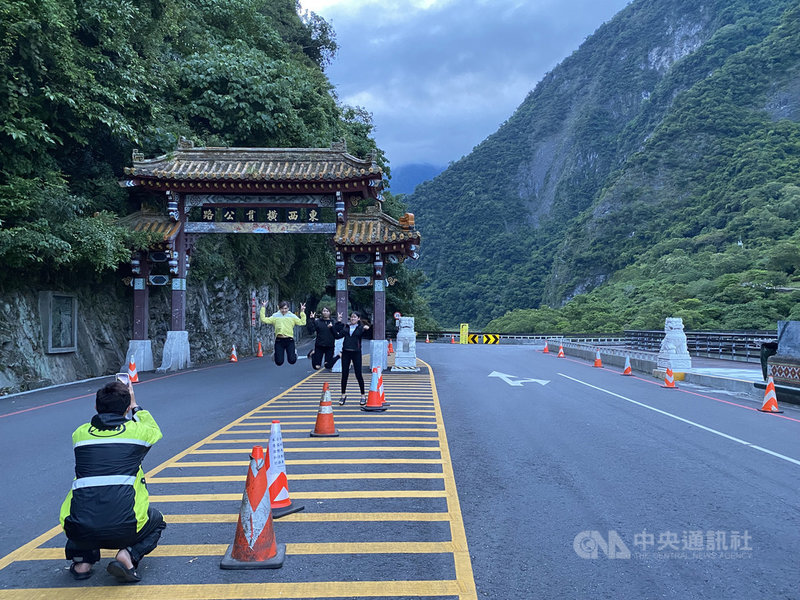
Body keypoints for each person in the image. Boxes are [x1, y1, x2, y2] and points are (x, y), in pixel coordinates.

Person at [60, 379, 165, 583]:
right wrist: (136, 406)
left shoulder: (80, 435)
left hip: (79, 527)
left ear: (95, 407)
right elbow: (155, 431)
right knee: (157, 521)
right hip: (125, 527)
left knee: (83, 508)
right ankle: (128, 555)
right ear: (126, 409)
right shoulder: (137, 433)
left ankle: (82, 563)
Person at [333, 311, 370, 405]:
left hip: (356, 353)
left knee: (358, 374)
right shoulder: (346, 327)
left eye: (355, 317)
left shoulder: (361, 328)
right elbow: (337, 336)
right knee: (344, 374)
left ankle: (363, 395)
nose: (352, 318)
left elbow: (369, 335)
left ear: (358, 319)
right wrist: (335, 324)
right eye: (351, 317)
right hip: (346, 352)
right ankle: (343, 395)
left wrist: (367, 329)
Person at [259, 300, 307, 366]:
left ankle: (294, 353)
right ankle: (276, 353)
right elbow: (263, 319)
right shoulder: (275, 316)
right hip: (279, 340)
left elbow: (302, 322)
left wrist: (302, 312)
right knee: (279, 362)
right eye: (282, 308)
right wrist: (263, 307)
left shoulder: (292, 316)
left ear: (288, 308)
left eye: (285, 308)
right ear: (279, 308)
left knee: (292, 361)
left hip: (289, 340)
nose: (284, 310)